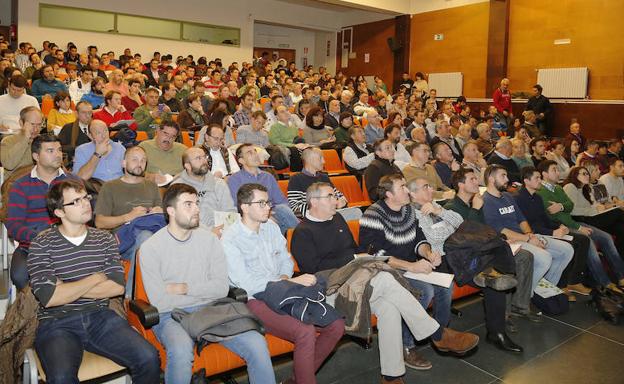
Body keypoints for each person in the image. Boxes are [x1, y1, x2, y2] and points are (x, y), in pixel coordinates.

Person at [291, 182, 442, 382]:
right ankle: (436, 332)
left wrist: (360, 258)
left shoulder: (337, 219)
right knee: (386, 278)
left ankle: (391, 374)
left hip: (356, 281)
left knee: (390, 307)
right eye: (330, 196)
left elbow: (353, 249)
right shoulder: (302, 232)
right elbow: (313, 271)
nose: (336, 201)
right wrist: (354, 260)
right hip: (332, 290)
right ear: (314, 202)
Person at [140, 183, 276, 384]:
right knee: (180, 349)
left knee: (256, 342)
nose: (196, 209)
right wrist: (204, 289)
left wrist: (184, 288)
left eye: (197, 203)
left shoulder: (210, 240)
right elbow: (160, 302)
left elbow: (221, 288)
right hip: (171, 316)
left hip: (210, 309)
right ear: (170, 211)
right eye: (188, 204)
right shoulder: (150, 248)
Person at [27, 179, 160, 383]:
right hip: (57, 323)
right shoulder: (42, 243)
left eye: (86, 198)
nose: (86, 203)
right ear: (59, 212)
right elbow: (49, 298)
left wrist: (66, 285)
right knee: (61, 377)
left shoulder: (104, 239)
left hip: (100, 316)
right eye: (76, 201)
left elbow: (116, 287)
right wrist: (96, 278)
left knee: (149, 358)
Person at [222, 183, 343, 384]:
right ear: (244, 206)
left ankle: (299, 379)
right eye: (261, 203)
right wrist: (285, 281)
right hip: (254, 299)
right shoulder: (231, 238)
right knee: (305, 331)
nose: (268, 207)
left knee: (336, 325)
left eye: (268, 202)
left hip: (285, 291)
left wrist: (286, 278)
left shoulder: (271, 226)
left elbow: (286, 260)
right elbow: (246, 284)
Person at [359, 174, 480, 358]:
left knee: (444, 285)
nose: (407, 190)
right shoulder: (373, 215)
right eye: (402, 187)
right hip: (386, 271)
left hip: (409, 267)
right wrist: (411, 266)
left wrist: (428, 254)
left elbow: (419, 239)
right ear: (389, 195)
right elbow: (374, 255)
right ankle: (406, 345)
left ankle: (439, 336)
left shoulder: (407, 211)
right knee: (425, 291)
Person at [409, 176, 522, 353]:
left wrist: (440, 213)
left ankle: (497, 333)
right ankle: (481, 273)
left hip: (459, 255)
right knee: (490, 274)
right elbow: (434, 238)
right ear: (413, 194)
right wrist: (451, 228)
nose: (431, 189)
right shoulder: (412, 214)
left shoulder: (437, 207)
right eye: (426, 187)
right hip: (441, 260)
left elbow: (461, 222)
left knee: (495, 276)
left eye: (431, 186)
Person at [444, 167, 539, 327]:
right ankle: (505, 314)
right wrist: (475, 209)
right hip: (470, 257)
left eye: (476, 178)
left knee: (525, 256)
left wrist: (500, 240)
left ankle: (520, 306)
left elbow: (486, 230)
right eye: (472, 179)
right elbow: (466, 236)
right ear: (460, 185)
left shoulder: (476, 203)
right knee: (505, 259)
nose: (477, 182)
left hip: (485, 249)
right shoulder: (451, 207)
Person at [482, 165, 573, 293]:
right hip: (510, 242)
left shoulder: (508, 196)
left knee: (567, 250)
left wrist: (531, 235)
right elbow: (501, 230)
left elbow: (522, 219)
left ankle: (543, 290)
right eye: (503, 175)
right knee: (545, 258)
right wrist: (528, 239)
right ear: (491, 179)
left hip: (526, 237)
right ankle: (525, 295)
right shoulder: (486, 201)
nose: (507, 179)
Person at [537, 160, 624, 291]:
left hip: (575, 221)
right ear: (544, 174)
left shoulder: (559, 188)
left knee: (606, 237)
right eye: (554, 170)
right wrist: (574, 221)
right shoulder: (543, 190)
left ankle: (621, 275)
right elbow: (560, 213)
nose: (558, 172)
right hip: (565, 225)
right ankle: (605, 282)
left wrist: (561, 206)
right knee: (589, 240)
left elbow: (569, 205)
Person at [6, 134, 73, 291]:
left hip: (69, 246)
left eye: (59, 150)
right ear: (36, 156)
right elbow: (14, 225)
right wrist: (38, 237)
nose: (57, 154)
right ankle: (31, 311)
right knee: (19, 274)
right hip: (31, 246)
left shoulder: (72, 182)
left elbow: (86, 218)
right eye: (50, 150)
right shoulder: (21, 185)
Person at [514, 166, 593, 301]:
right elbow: (529, 226)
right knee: (573, 244)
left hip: (545, 231)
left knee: (582, 240)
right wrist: (553, 231)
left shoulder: (537, 197)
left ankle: (561, 284)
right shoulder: (519, 199)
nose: (540, 181)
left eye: (540, 177)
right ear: (526, 181)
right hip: (535, 234)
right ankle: (561, 285)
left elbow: (545, 219)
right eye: (537, 178)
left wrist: (560, 227)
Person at [94, 146, 163, 291]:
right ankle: (132, 296)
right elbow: (99, 222)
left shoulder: (152, 186)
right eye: (135, 159)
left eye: (143, 160)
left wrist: (158, 211)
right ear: (123, 163)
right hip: (124, 241)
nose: (140, 164)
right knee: (145, 237)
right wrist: (128, 216)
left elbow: (162, 218)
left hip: (153, 237)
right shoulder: (110, 187)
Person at [227, 143, 299, 233]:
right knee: (281, 217)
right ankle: (303, 235)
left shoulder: (268, 177)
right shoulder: (234, 179)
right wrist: (265, 215)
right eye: (250, 153)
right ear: (241, 160)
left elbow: (281, 201)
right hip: (251, 216)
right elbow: (238, 206)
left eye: (255, 151)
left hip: (273, 212)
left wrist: (269, 214)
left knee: (282, 210)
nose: (255, 155)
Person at [562, 166, 624, 256]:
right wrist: (595, 210)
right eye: (584, 174)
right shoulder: (570, 187)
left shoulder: (586, 188)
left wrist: (599, 207)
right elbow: (572, 210)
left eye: (587, 174)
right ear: (575, 175)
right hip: (581, 220)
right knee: (618, 212)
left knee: (621, 229)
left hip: (592, 217)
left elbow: (593, 205)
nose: (587, 176)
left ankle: (620, 260)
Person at [171, 147, 235, 233]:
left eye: (204, 157)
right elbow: (180, 219)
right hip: (192, 234)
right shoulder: (177, 187)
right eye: (198, 158)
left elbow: (231, 212)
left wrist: (222, 230)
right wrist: (209, 231)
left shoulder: (219, 184)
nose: (204, 161)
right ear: (188, 166)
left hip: (222, 232)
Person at [287, 147, 362, 221]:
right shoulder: (296, 179)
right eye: (320, 158)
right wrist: (326, 206)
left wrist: (340, 202)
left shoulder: (324, 177)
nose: (324, 161)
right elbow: (295, 208)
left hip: (332, 214)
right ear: (310, 160)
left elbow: (340, 197)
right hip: (313, 218)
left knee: (356, 212)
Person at [0, 106, 42, 177]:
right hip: (15, 183)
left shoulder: (43, 140)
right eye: (32, 124)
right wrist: (26, 138)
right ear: (21, 123)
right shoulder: (8, 141)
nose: (36, 129)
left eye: (39, 124)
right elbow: (8, 164)